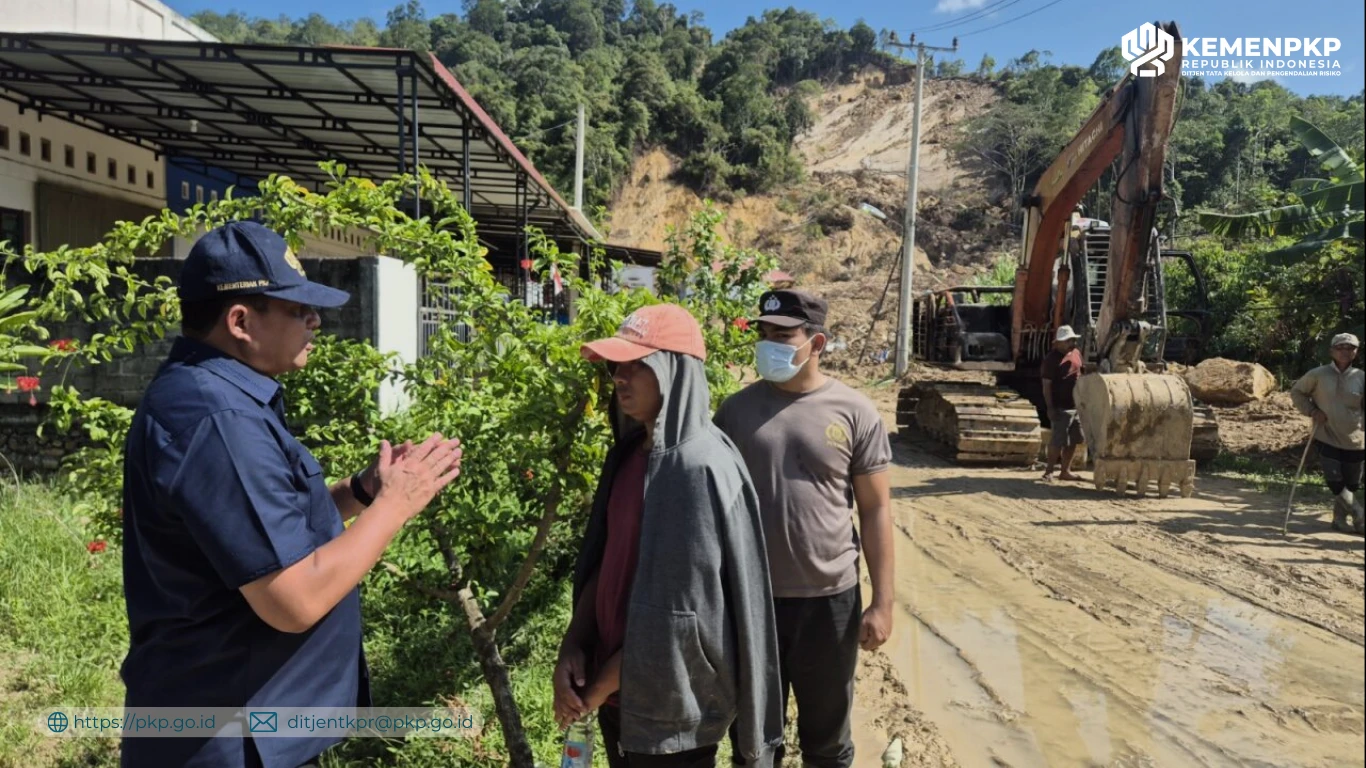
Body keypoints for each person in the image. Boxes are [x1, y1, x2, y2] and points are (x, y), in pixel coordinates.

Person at [119, 221, 464, 768]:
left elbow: (263, 531)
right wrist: (397, 505)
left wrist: (361, 492)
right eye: (298, 309)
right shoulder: (219, 419)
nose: (315, 321)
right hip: (227, 739)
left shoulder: (213, 395)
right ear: (240, 321)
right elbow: (294, 599)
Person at [552, 303, 783, 768]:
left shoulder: (698, 468)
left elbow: (678, 618)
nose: (620, 377)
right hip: (618, 696)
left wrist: (598, 687)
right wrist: (574, 644)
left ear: (674, 372)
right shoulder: (629, 456)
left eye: (638, 365)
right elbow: (609, 562)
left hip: (673, 714)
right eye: (616, 365)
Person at [713, 289, 894, 768]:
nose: (768, 344)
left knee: (827, 742)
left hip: (829, 602)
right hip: (751, 600)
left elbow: (876, 510)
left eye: (783, 335)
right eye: (764, 333)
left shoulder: (854, 412)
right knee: (753, 741)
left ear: (816, 343)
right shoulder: (735, 412)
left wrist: (883, 602)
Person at [1290, 332, 1365, 535]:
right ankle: (1359, 512)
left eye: (1350, 348)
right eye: (1340, 347)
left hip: (1355, 438)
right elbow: (1297, 392)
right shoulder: (1318, 374)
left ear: (1356, 352)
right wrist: (1312, 411)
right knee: (1335, 481)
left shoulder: (1361, 377)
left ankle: (1339, 520)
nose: (1345, 351)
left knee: (1351, 484)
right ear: (1332, 351)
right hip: (1326, 435)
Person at [1041, 325, 1085, 482]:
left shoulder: (1076, 353)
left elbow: (1081, 374)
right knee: (1058, 440)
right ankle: (1049, 471)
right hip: (1061, 406)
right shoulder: (1051, 359)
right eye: (1068, 341)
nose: (1071, 343)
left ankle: (1065, 471)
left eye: (1072, 340)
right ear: (1058, 343)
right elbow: (1046, 385)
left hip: (1076, 406)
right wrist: (1050, 407)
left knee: (1073, 440)